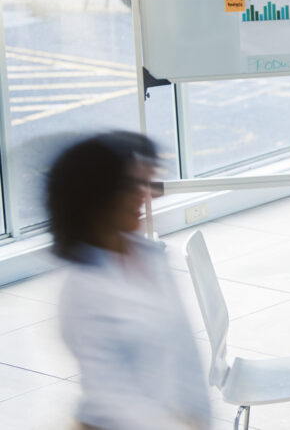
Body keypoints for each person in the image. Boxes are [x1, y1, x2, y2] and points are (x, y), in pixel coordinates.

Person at [49, 132, 210, 430]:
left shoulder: (152, 257)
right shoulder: (83, 289)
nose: (147, 195)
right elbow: (111, 397)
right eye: (131, 186)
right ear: (96, 197)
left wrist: (199, 418)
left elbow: (185, 354)